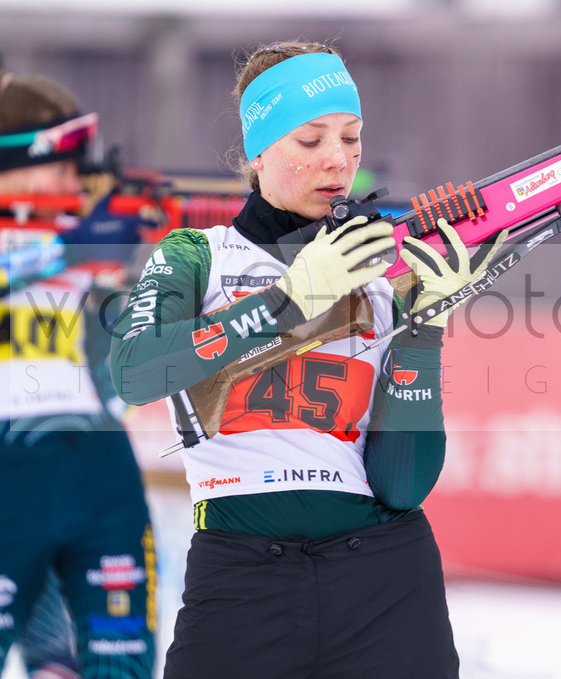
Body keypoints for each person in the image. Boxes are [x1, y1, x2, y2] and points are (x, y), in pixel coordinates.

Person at [108, 41, 503, 678]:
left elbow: (403, 485)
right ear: (259, 149)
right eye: (311, 140)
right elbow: (135, 372)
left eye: (351, 139)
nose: (338, 161)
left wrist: (423, 329)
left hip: (384, 581)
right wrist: (289, 301)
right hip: (238, 581)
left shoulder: (386, 269)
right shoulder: (196, 255)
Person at [0, 68, 157, 678]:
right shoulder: (71, 244)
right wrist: (67, 252)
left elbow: (131, 371)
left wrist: (130, 280)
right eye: (62, 162)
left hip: (97, 479)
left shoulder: (89, 243)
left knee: (119, 664)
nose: (74, 180)